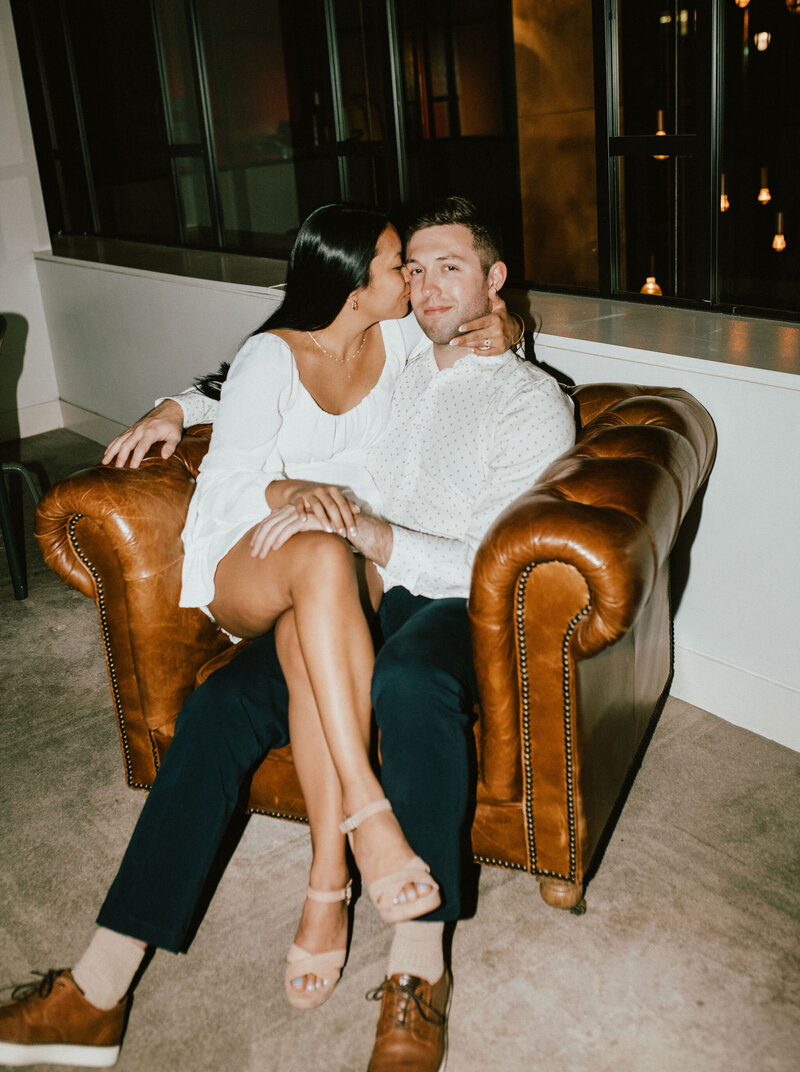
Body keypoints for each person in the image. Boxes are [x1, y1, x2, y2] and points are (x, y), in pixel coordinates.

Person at [0, 198, 539, 1072]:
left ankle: (109, 984)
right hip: (259, 548)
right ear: (355, 281)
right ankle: (365, 819)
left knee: (223, 707)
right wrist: (184, 416)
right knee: (322, 561)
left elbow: (469, 328)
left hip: (340, 573)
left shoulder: (408, 339)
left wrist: (501, 328)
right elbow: (242, 380)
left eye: (433, 267)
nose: (416, 280)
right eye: (404, 264)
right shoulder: (290, 352)